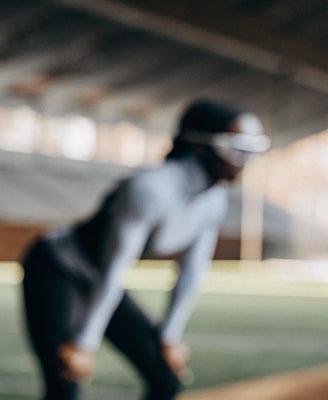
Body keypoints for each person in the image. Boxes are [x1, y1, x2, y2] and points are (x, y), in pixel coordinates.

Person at [21, 99, 270, 400]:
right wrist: (84, 344)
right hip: (55, 267)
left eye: (251, 152)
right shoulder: (150, 190)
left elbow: (192, 274)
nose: (245, 162)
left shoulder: (213, 201)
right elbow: (114, 269)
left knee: (166, 377)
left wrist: (170, 337)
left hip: (98, 278)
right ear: (201, 146)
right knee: (65, 376)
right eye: (237, 150)